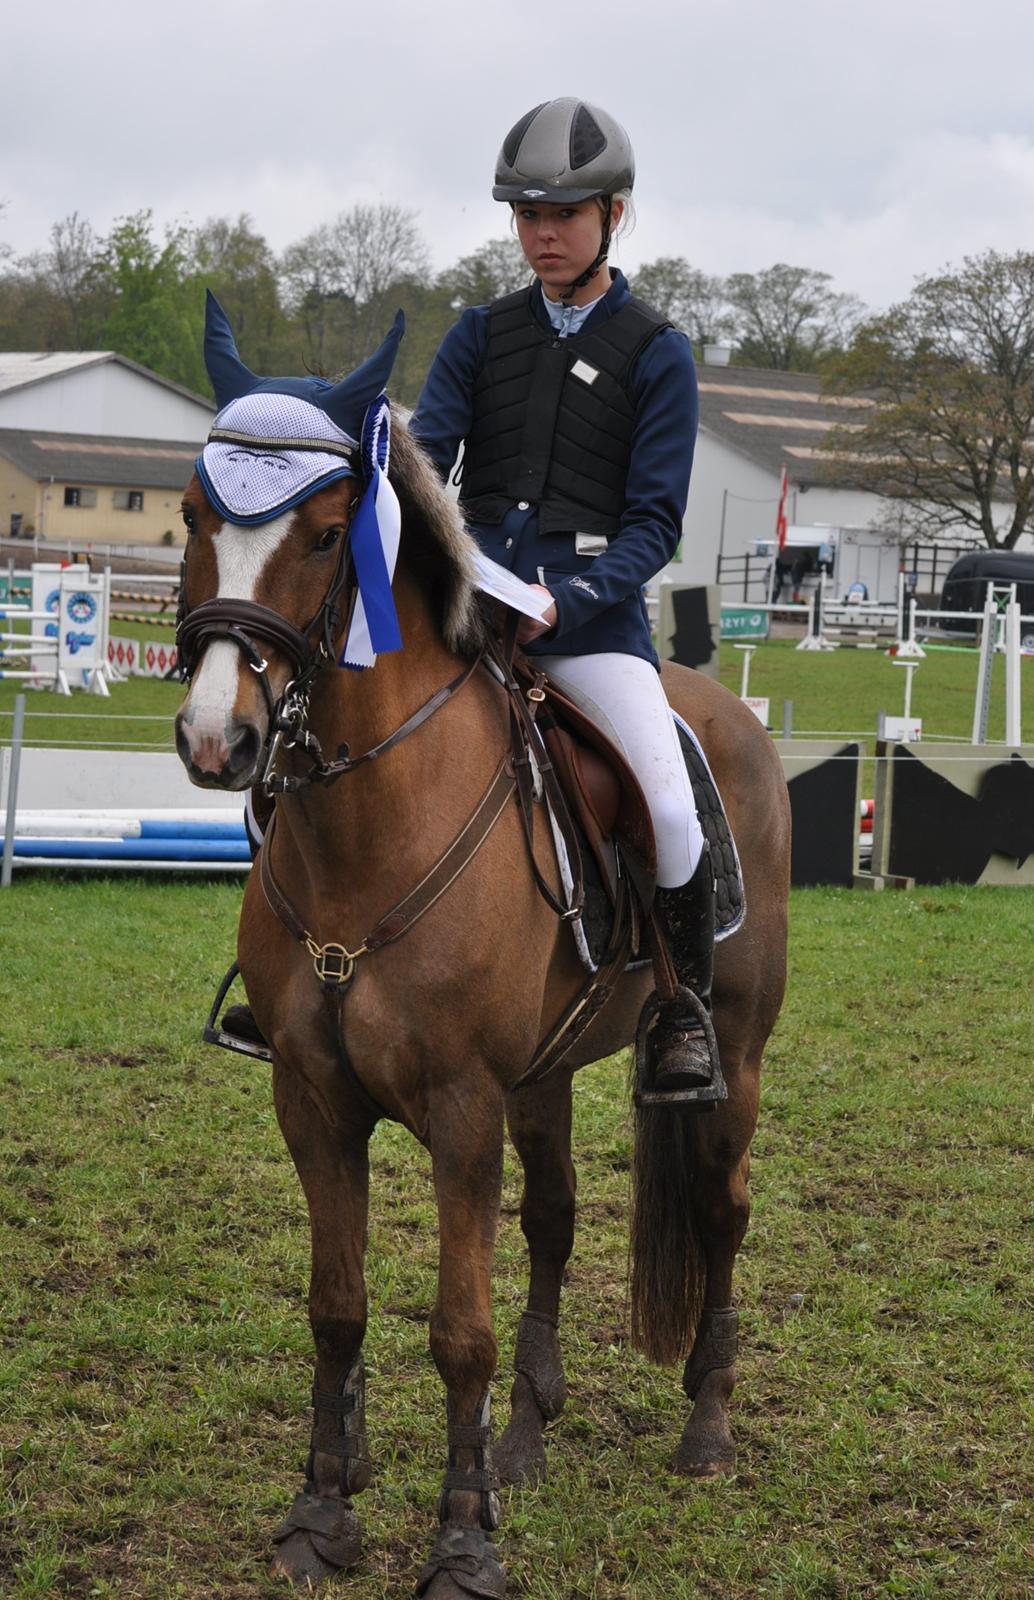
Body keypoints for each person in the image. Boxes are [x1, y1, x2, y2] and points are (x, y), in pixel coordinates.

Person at [412, 97, 719, 1099]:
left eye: (564, 215)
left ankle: (680, 1006)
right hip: (475, 616)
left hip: (587, 626)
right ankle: (286, 966)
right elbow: (427, 469)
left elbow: (653, 523)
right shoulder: (478, 336)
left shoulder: (656, 349)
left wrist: (572, 595)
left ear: (613, 215)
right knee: (320, 729)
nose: (541, 235)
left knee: (671, 808)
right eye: (526, 216)